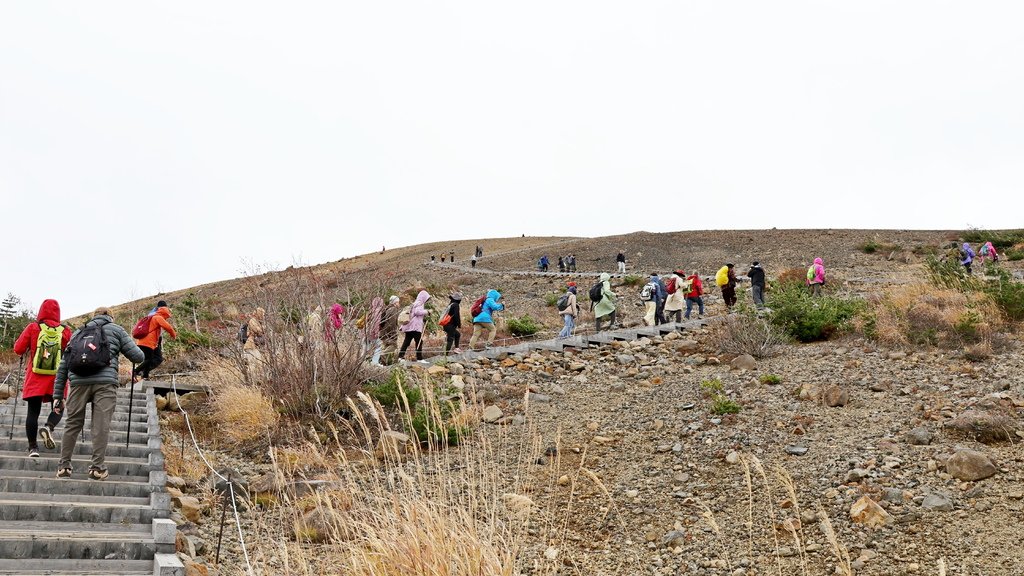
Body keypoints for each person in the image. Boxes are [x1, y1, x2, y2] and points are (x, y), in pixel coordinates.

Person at [53, 307, 145, 480]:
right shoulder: (116, 330)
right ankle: (97, 468)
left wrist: (58, 395)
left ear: (94, 317)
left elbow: (63, 366)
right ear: (111, 317)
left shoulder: (78, 333)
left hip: (78, 382)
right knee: (100, 425)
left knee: (72, 423)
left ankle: (64, 466)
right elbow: (138, 357)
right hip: (105, 383)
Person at [12, 299, 71, 457]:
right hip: (57, 377)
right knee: (59, 406)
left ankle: (33, 448)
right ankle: (49, 426)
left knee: (33, 412)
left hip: (35, 376)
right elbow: (71, 352)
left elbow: (18, 349)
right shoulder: (64, 331)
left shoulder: (33, 327)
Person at [132, 301, 177, 383]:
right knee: (149, 359)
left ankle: (144, 376)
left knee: (157, 358)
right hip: (148, 342)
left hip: (144, 342)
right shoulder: (157, 317)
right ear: (165, 310)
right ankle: (135, 371)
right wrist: (173, 335)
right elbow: (168, 327)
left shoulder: (150, 315)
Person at [398, 290, 431, 361]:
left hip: (409, 326)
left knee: (407, 341)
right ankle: (419, 359)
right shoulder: (419, 303)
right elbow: (417, 312)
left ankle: (400, 357)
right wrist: (427, 311)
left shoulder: (415, 303)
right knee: (419, 341)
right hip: (415, 327)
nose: (427, 300)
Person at [379, 296, 401, 362]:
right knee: (394, 346)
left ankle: (383, 363)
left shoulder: (387, 308)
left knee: (386, 347)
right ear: (395, 303)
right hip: (389, 334)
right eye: (398, 302)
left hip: (383, 333)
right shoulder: (393, 309)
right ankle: (380, 357)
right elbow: (392, 323)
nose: (399, 304)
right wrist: (393, 335)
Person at [363, 298, 384, 364]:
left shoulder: (371, 310)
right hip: (372, 332)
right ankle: (375, 362)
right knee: (379, 345)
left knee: (366, 346)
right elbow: (376, 323)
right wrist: (376, 333)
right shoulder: (378, 311)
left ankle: (363, 361)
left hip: (366, 332)